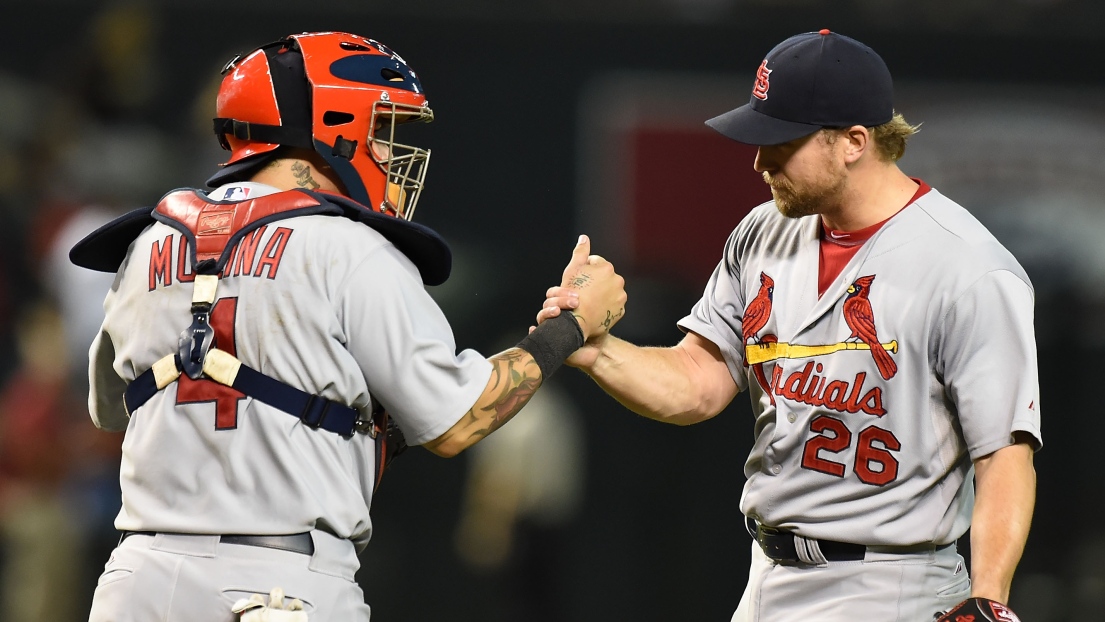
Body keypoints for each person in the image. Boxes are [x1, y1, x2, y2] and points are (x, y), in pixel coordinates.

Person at [70, 31, 625, 622]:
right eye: (381, 130)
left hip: (137, 584)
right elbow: (459, 422)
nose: (388, 154)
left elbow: (111, 410)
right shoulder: (349, 246)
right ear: (333, 124)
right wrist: (570, 325)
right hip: (276, 586)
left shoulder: (145, 243)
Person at [539, 29, 1039, 622]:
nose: (758, 159)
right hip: (768, 575)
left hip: (891, 582)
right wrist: (595, 350)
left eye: (781, 140)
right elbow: (697, 381)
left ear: (854, 141)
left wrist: (988, 598)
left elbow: (1003, 456)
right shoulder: (761, 232)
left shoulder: (968, 268)